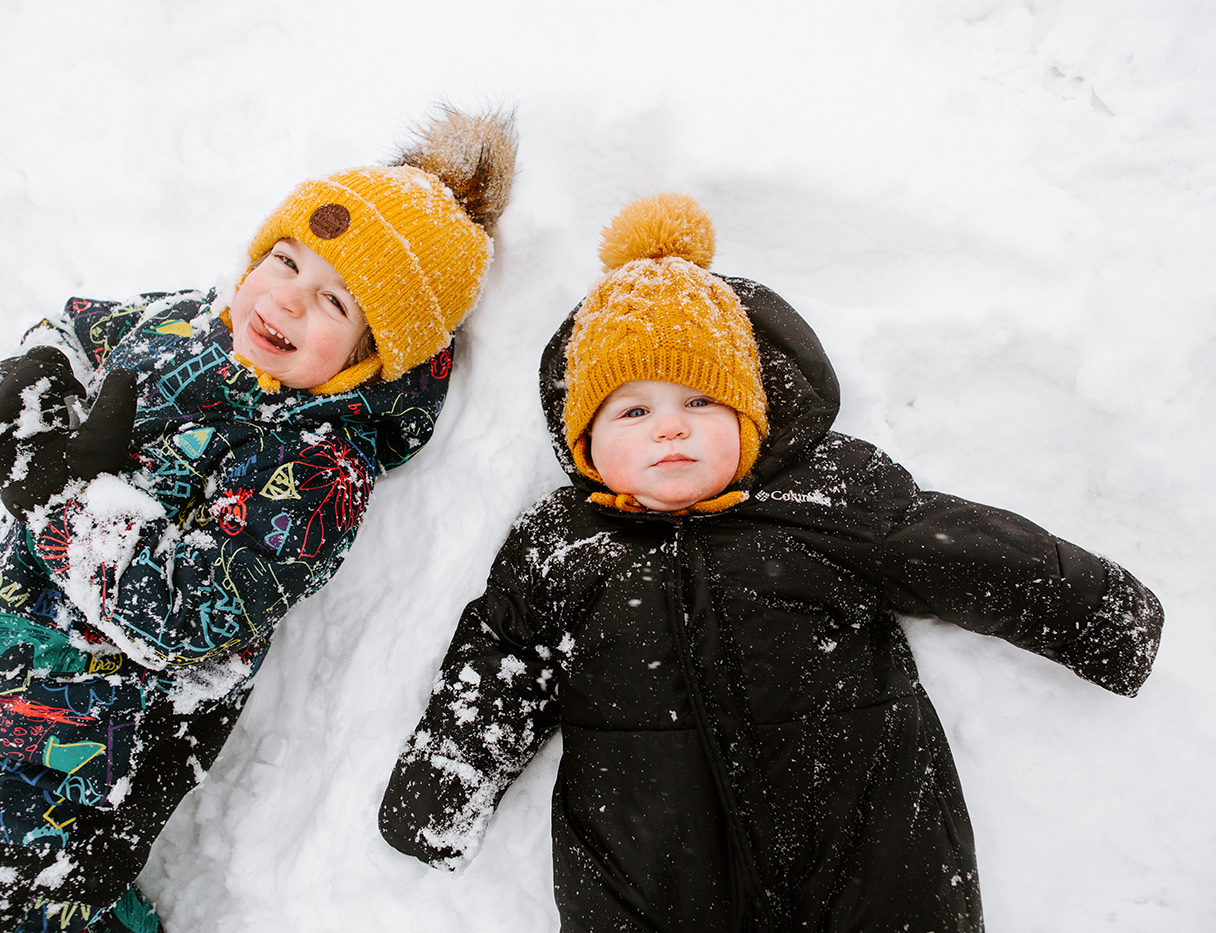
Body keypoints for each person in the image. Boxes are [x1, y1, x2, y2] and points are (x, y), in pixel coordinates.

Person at [378, 193, 1163, 931]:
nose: (669, 430)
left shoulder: (829, 494)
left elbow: (955, 547)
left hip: (864, 847)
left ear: (751, 412)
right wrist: (445, 783)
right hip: (651, 868)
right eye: (633, 409)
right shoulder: (562, 540)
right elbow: (507, 651)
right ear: (584, 439)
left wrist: (1095, 612)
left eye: (701, 401)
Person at [0, 106, 517, 933]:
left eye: (332, 300)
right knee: (31, 880)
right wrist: (39, 370)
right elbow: (82, 323)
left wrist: (56, 502)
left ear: (376, 352)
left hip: (102, 738)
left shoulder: (317, 465)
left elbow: (193, 609)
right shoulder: (192, 320)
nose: (285, 301)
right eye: (286, 260)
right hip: (13, 690)